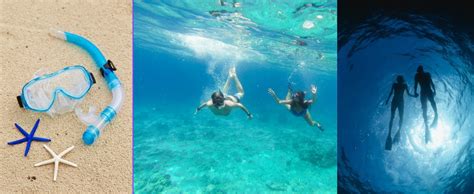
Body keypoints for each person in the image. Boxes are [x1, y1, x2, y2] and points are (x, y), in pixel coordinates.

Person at [384, 75, 416, 150]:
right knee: (393, 117)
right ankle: (390, 133)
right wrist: (387, 100)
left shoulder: (403, 85)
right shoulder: (395, 85)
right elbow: (391, 93)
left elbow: (408, 94)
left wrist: (414, 96)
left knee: (398, 117)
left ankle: (397, 131)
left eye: (400, 79)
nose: (400, 80)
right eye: (399, 79)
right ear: (398, 80)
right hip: (396, 102)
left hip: (398, 102)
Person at [413, 65, 438, 143]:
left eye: (419, 70)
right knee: (424, 108)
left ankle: (436, 115)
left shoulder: (427, 74)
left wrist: (434, 90)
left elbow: (431, 82)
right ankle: (427, 126)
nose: (418, 72)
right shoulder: (417, 76)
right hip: (424, 92)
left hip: (428, 91)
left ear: (421, 69)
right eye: (418, 71)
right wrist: (415, 92)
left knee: (432, 103)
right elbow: (415, 85)